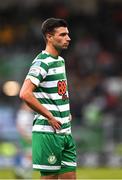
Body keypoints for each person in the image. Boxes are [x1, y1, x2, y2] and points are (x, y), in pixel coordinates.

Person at [19, 18, 77, 179]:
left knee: (70, 177)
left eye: (68, 34)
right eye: (63, 34)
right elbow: (25, 93)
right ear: (49, 37)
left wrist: (65, 113)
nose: (68, 38)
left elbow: (58, 93)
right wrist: (49, 115)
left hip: (65, 131)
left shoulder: (60, 61)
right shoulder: (42, 62)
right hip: (48, 132)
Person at [15, 102, 34, 179]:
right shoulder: (23, 114)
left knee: (30, 156)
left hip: (30, 137)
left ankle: (24, 173)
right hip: (27, 137)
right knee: (30, 155)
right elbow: (20, 127)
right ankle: (20, 171)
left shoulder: (28, 114)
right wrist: (25, 136)